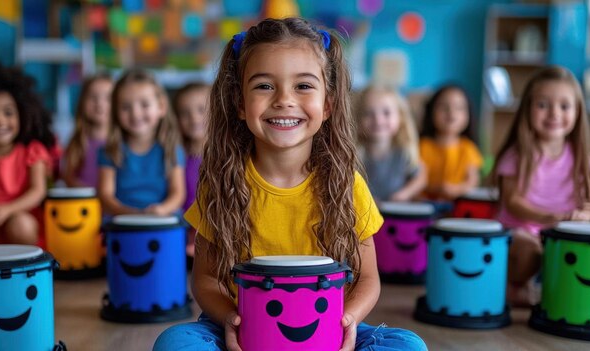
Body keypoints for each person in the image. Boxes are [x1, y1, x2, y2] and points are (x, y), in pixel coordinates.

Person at [154, 18, 426, 351]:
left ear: (327, 105)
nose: (284, 100)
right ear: (240, 103)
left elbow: (368, 279)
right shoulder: (222, 184)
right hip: (243, 327)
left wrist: (346, 323)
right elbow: (206, 280)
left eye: (303, 86)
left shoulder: (346, 185)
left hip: (328, 325)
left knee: (408, 345)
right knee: (174, 343)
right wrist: (233, 321)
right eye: (264, 86)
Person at [491, 66, 590, 306]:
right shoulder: (517, 155)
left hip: (563, 232)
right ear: (528, 109)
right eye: (543, 105)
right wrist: (547, 217)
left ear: (578, 112)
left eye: (564, 106)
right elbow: (512, 201)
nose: (554, 113)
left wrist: (582, 216)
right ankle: (514, 285)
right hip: (521, 230)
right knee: (529, 251)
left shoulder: (582, 157)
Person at [0, 59, 57, 245]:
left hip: (21, 221)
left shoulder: (32, 151)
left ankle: (25, 270)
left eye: (8, 113)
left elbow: (38, 191)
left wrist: (7, 209)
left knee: (20, 223)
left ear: (23, 113)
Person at [97, 69, 185, 217]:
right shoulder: (110, 151)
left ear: (161, 107)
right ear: (115, 112)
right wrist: (131, 214)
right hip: (122, 223)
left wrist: (161, 210)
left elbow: (178, 193)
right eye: (125, 107)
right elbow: (105, 196)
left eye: (144, 105)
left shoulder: (171, 149)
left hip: (162, 222)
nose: (135, 113)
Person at [357, 86, 426, 202]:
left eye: (386, 113)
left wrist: (404, 194)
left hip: (397, 212)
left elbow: (421, 177)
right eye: (369, 113)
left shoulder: (404, 152)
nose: (378, 120)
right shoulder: (356, 154)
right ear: (358, 119)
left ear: (400, 117)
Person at [419, 85, 482, 202]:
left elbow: (472, 181)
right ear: (431, 111)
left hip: (458, 205)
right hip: (425, 204)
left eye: (459, 107)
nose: (451, 112)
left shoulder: (468, 148)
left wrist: (456, 190)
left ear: (468, 115)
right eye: (443, 106)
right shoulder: (423, 146)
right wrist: (437, 189)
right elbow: (418, 179)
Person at [172, 82, 210, 260]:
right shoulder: (178, 156)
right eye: (185, 113)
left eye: (201, 110)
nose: (194, 118)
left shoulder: (224, 155)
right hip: (185, 227)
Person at [62, 73, 113, 188]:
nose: (99, 103)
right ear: (82, 102)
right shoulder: (77, 141)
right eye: (92, 97)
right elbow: (68, 177)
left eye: (108, 98)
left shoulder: (122, 142)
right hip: (85, 201)